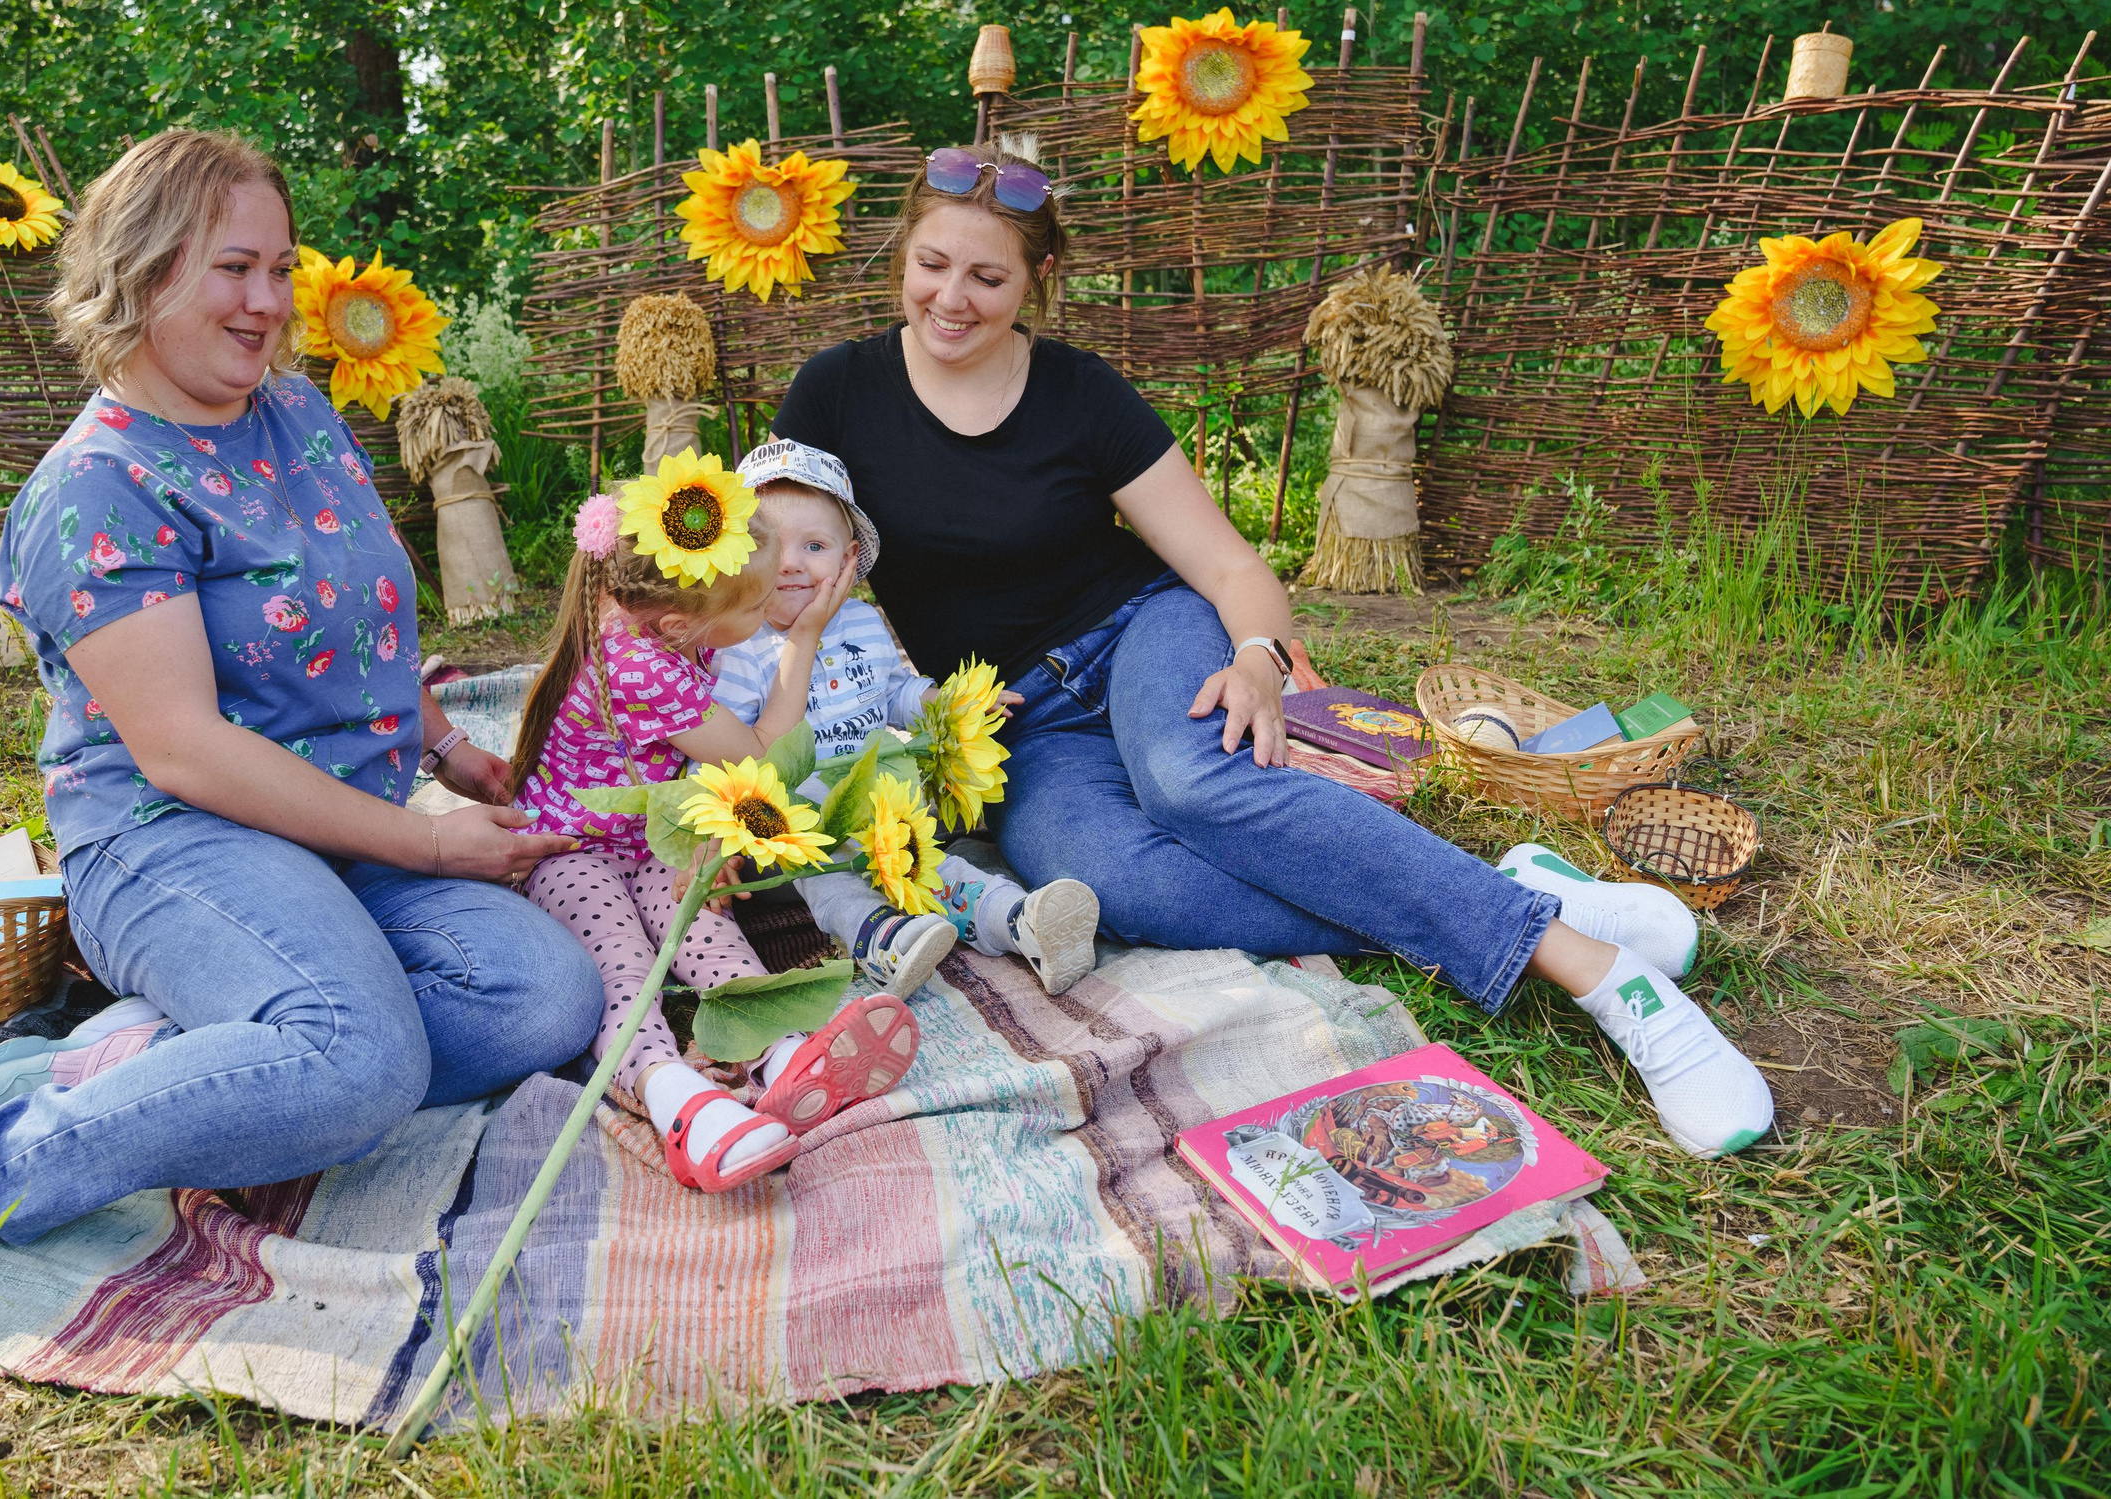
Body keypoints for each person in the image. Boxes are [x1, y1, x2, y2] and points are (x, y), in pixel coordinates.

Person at [0, 131, 605, 1336]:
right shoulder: (96, 489)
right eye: (232, 269)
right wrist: (427, 844)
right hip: (172, 845)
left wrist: (449, 753)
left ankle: (158, 1058)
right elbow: (184, 751)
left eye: (280, 267)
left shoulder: (296, 413)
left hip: (339, 829)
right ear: (143, 274)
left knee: (541, 1000)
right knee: (359, 1066)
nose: (267, 303)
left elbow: (359, 625)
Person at [770, 142, 1773, 1159]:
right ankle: (1519, 896)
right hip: (1011, 718)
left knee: (1189, 785)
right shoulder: (834, 397)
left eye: (988, 276)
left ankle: (1605, 981)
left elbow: (1232, 568)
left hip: (1143, 631)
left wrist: (1255, 656)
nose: (952, 297)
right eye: (931, 264)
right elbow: (775, 560)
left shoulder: (1078, 393)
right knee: (1110, 883)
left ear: (1035, 282)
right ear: (902, 253)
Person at [507, 475, 919, 1195]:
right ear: (680, 626)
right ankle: (683, 1106)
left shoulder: (646, 611)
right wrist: (803, 642)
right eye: (756, 604)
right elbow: (759, 755)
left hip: (646, 837)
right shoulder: (646, 668)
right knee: (625, 964)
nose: (772, 607)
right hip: (567, 852)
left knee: (704, 930)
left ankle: (784, 1056)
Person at [709, 438, 1100, 996]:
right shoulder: (739, 645)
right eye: (768, 545)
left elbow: (895, 692)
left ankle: (1022, 921)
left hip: (881, 805)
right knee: (834, 875)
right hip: (786, 835)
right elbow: (730, 751)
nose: (791, 563)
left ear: (848, 562)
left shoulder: (863, 624)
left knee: (931, 864)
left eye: (815, 546)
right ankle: (882, 939)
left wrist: (947, 705)